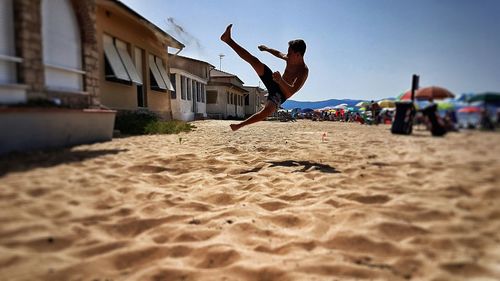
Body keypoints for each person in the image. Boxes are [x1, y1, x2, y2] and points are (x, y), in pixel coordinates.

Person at [220, 24, 309, 131]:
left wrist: (280, 80)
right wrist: (266, 49)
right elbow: (278, 53)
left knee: (266, 112)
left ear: (298, 55)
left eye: (290, 53)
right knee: (254, 61)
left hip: (280, 94)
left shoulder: (303, 71)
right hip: (276, 81)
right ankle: (228, 40)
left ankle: (239, 125)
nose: (287, 55)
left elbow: (291, 91)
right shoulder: (290, 58)